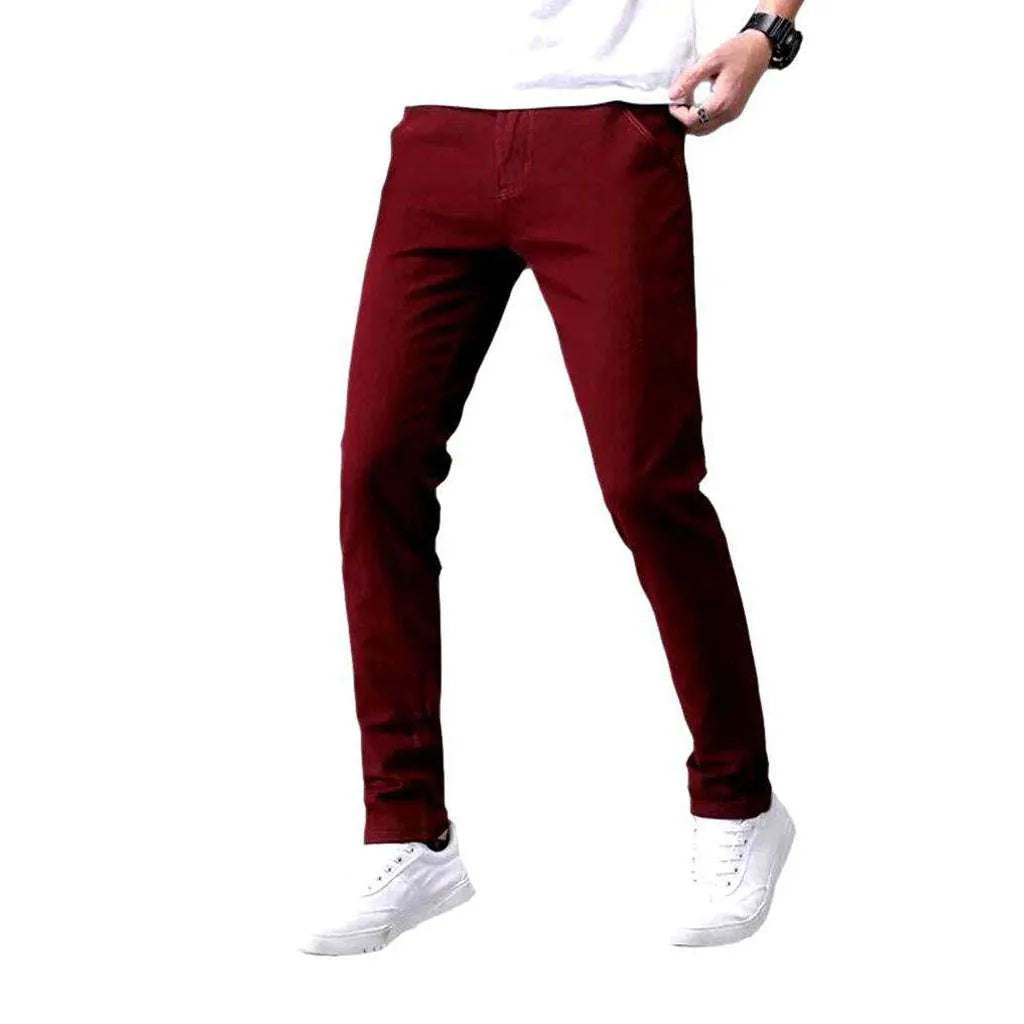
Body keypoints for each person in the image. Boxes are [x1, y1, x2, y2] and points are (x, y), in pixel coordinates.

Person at [304, 1, 804, 955]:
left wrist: (764, 34)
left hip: (611, 120)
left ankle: (739, 800)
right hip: (442, 128)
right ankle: (407, 827)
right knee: (376, 471)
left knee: (647, 483)